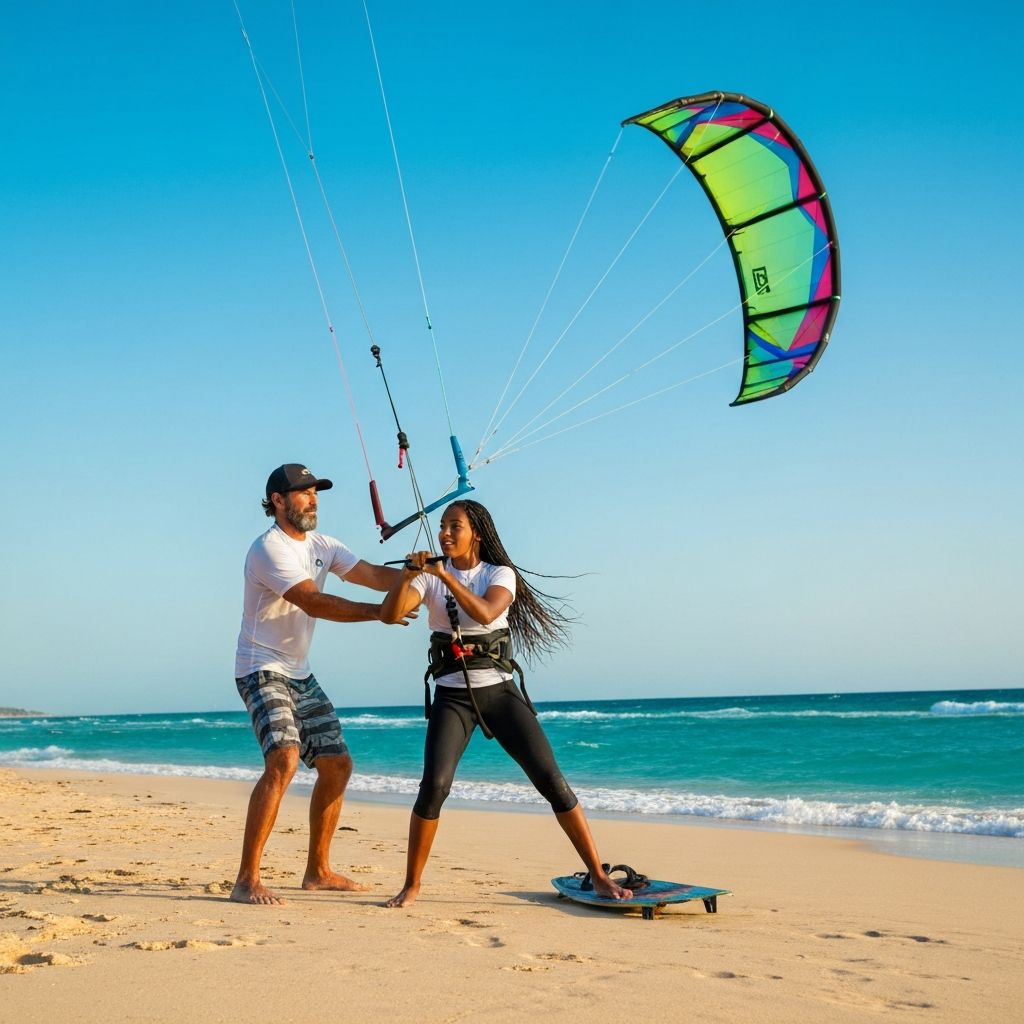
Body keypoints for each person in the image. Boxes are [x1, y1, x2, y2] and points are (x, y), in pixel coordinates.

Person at [379, 499, 632, 908]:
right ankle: (412, 884)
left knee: (551, 780)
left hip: (499, 692)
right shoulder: (428, 581)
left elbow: (485, 612)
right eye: (442, 526)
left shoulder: (499, 574)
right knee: (434, 787)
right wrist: (409, 575)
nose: (444, 533)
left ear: (476, 531)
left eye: (454, 526)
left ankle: (598, 875)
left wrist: (446, 576)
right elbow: (389, 615)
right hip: (452, 699)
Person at [232, 463, 413, 906]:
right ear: (278, 500)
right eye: (303, 493)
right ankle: (246, 879)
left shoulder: (322, 545)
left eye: (316, 493)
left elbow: (372, 574)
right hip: (260, 668)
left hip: (299, 671)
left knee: (337, 764)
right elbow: (311, 601)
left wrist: (418, 573)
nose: (313, 500)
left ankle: (318, 870)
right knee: (284, 759)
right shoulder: (268, 549)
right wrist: (379, 613)